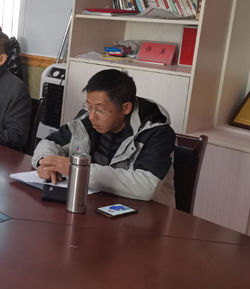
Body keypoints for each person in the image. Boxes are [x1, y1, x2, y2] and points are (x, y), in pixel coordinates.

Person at [32, 69, 176, 206]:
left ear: (126, 108)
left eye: (101, 110)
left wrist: (78, 170)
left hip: (148, 214)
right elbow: (50, 142)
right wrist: (44, 163)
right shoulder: (87, 121)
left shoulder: (157, 133)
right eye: (89, 107)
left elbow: (146, 186)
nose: (92, 116)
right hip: (98, 204)